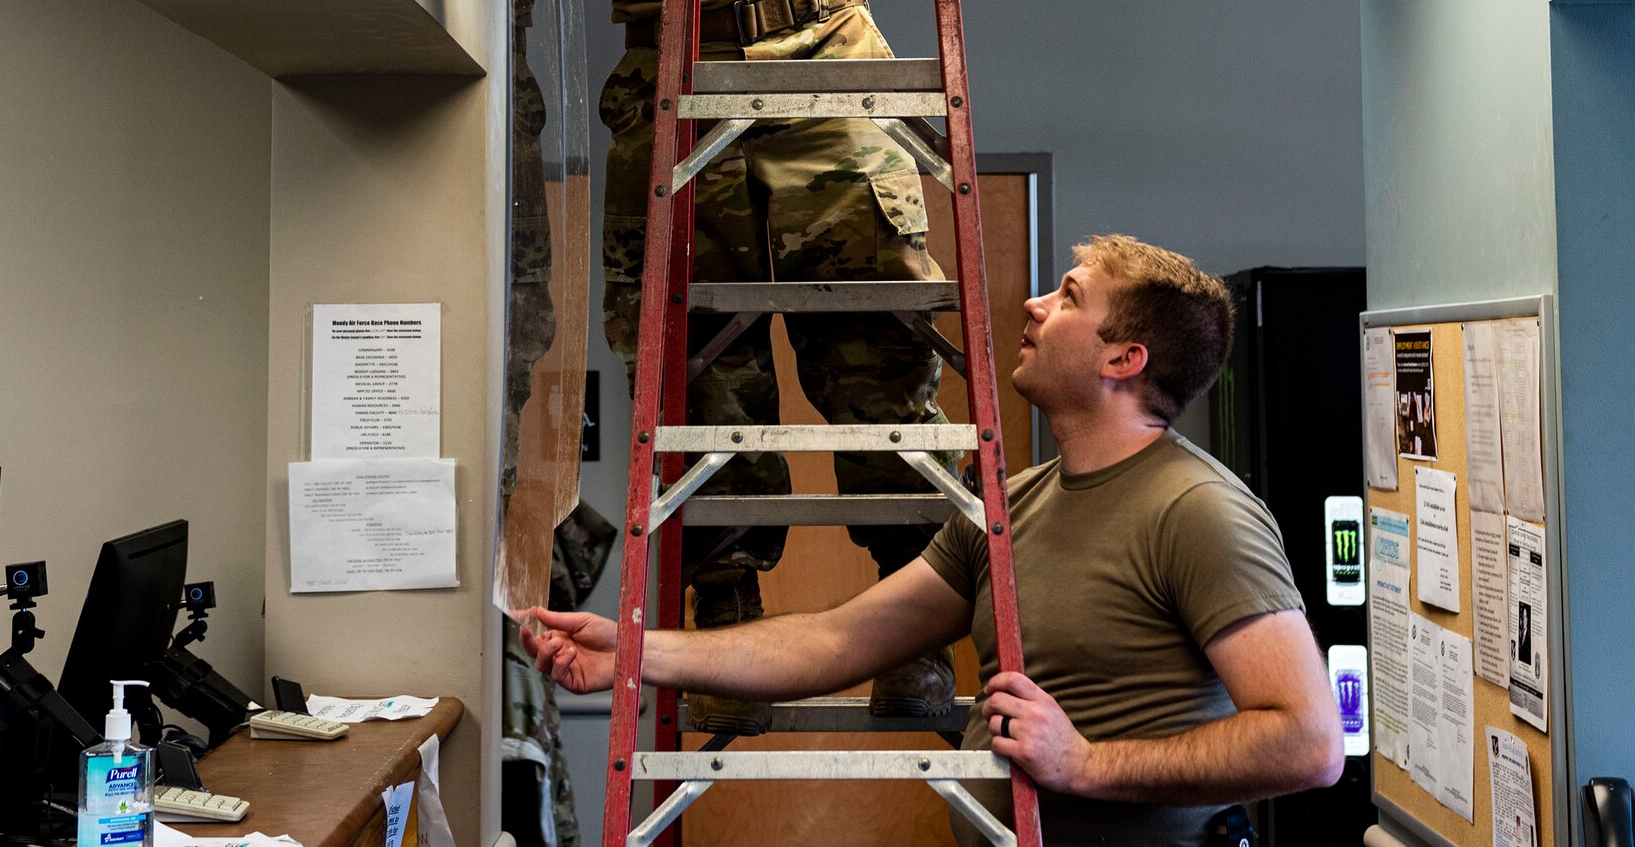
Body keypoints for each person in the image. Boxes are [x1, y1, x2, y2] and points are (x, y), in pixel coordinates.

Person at [409, 0, 957, 732]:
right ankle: (720, 628)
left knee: (872, 364)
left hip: (813, 48)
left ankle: (911, 639)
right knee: (699, 370)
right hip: (670, 79)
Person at [520, 235, 1345, 846]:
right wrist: (630, 652)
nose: (1034, 304)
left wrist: (1086, 764)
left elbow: (1310, 741)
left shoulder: (1198, 510)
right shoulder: (1007, 509)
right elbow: (836, 639)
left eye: (1068, 296)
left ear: (1125, 357)